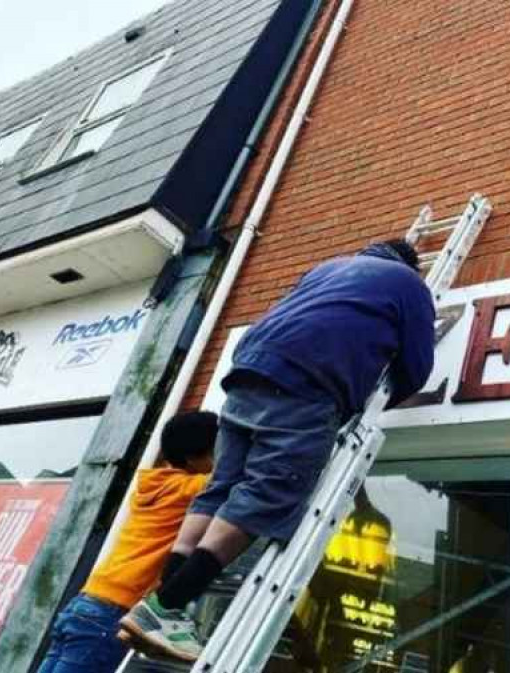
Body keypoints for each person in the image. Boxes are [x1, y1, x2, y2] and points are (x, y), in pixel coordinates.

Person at [121, 239, 436, 661]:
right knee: (265, 495)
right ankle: (166, 608)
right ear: (412, 264)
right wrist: (368, 400)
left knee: (222, 488)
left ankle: (163, 605)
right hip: (309, 383)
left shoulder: (328, 265)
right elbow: (416, 368)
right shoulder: (408, 284)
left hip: (248, 372)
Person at [36, 411, 218, 672]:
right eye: (217, 451)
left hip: (86, 603)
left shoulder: (155, 486)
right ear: (192, 459)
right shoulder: (188, 489)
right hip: (112, 613)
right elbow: (229, 479)